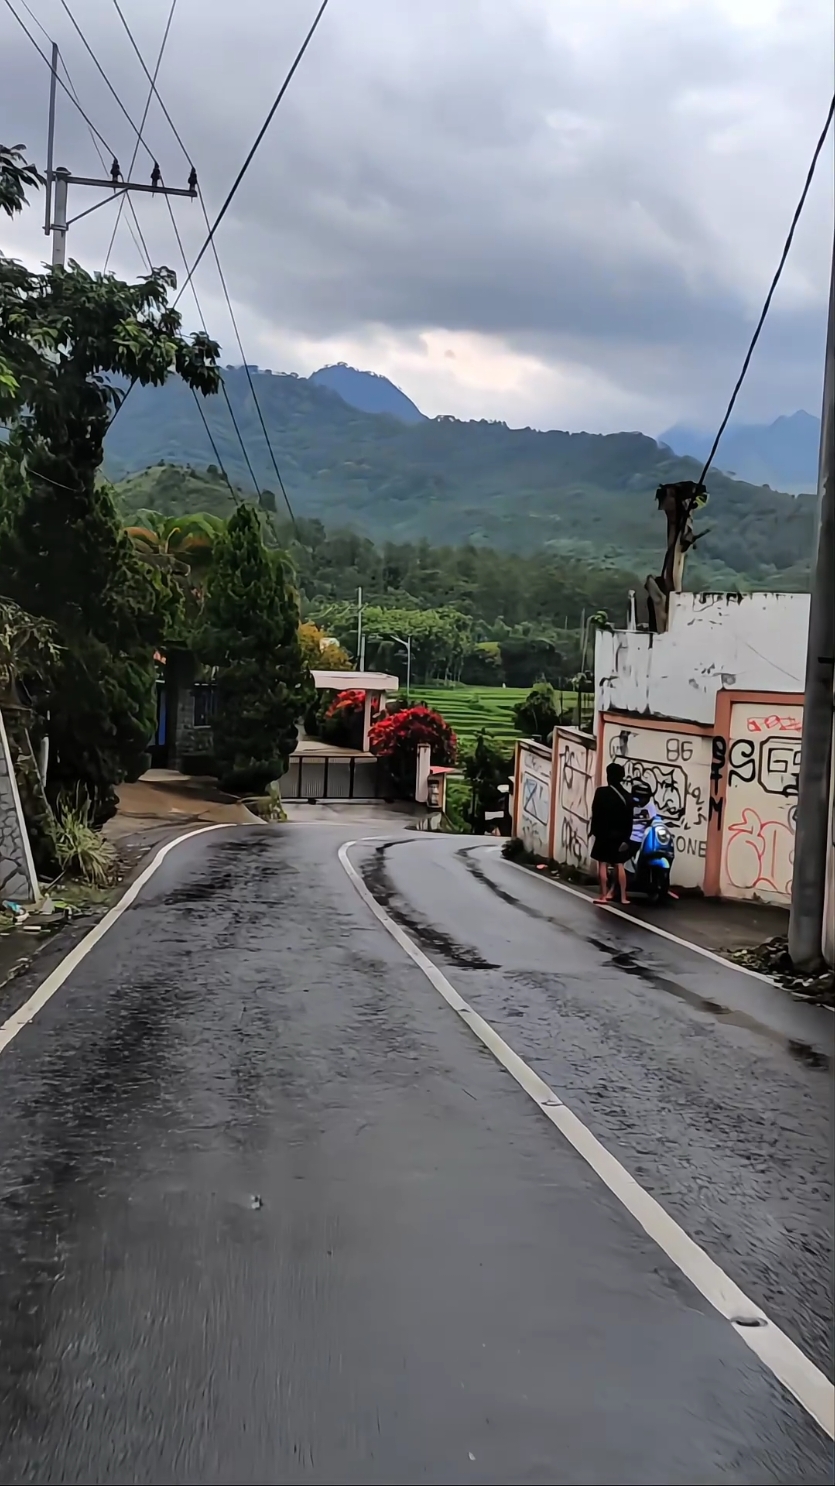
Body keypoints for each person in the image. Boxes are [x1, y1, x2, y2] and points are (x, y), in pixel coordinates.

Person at [589, 761, 634, 905]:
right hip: (620, 835)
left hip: (603, 834)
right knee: (619, 864)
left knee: (602, 864)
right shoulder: (627, 796)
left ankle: (603, 896)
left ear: (609, 776)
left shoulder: (601, 793)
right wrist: (626, 838)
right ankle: (623, 897)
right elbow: (629, 819)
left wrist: (595, 831)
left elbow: (595, 813)